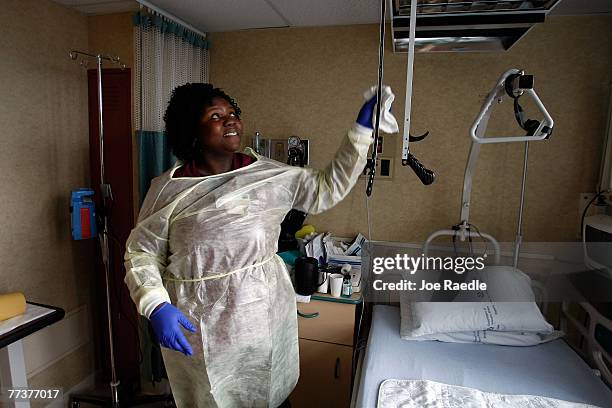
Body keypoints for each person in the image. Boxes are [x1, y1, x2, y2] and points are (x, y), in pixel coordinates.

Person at [124, 83, 396, 407]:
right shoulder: (168, 190)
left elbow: (327, 187)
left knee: (270, 396)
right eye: (216, 115)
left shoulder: (268, 175)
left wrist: (361, 130)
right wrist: (155, 305)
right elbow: (142, 252)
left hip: (262, 321)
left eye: (233, 114)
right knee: (210, 398)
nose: (231, 121)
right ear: (191, 130)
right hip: (199, 327)